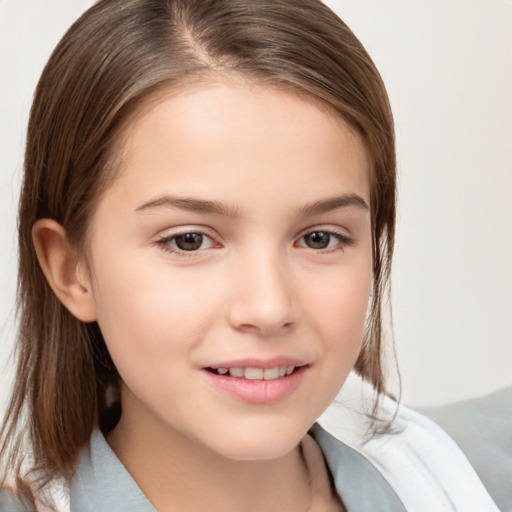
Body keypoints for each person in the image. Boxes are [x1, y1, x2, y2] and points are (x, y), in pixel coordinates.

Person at [0, 0, 509, 511]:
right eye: (189, 240)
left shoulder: (471, 479)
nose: (269, 308)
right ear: (71, 271)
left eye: (319, 238)